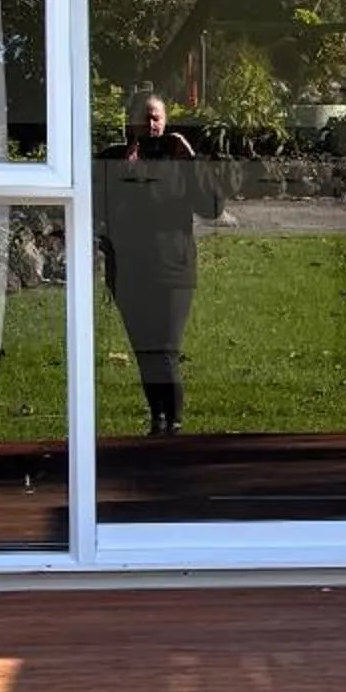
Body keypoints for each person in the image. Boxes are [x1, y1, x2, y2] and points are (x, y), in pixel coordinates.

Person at [95, 87, 223, 435]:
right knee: (145, 351)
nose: (151, 125)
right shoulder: (111, 159)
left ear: (166, 122)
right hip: (128, 273)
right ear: (129, 122)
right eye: (145, 118)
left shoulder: (178, 161)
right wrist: (123, 172)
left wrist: (190, 159)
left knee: (164, 349)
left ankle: (173, 425)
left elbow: (212, 207)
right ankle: (158, 422)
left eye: (157, 118)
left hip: (172, 271)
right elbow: (96, 212)